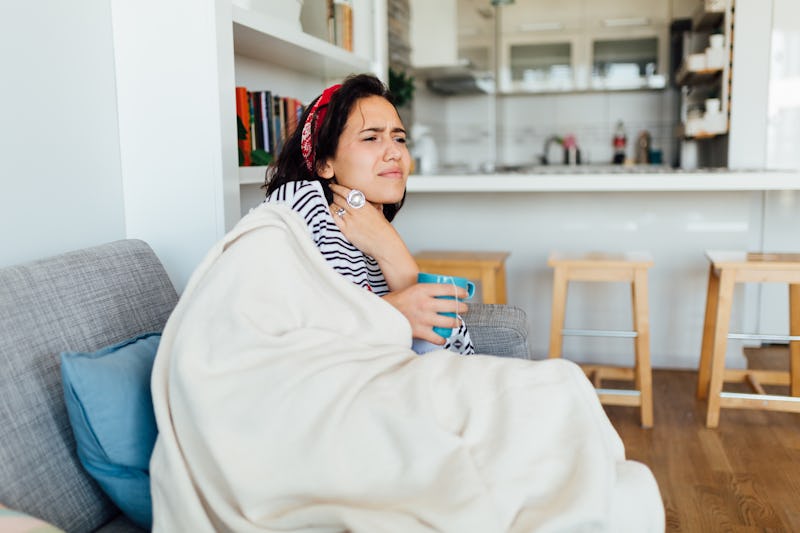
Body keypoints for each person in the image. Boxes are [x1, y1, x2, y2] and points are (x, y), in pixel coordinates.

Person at [262, 73, 473, 355]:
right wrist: (388, 312)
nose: (395, 152)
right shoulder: (300, 202)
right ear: (325, 163)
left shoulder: (372, 229)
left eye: (399, 139)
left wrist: (393, 252)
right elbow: (275, 333)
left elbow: (458, 356)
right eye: (371, 137)